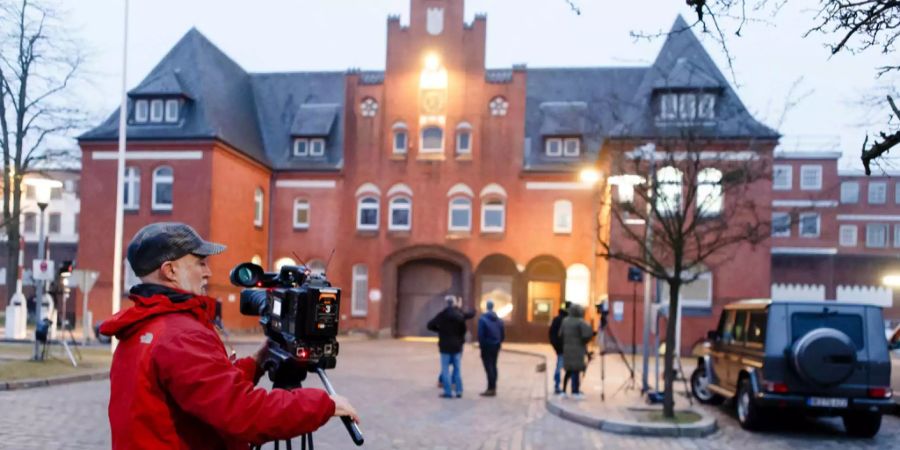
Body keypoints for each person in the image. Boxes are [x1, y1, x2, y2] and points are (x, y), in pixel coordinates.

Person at [99, 222, 359, 449]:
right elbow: (242, 413)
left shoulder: (145, 325)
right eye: (200, 262)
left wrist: (258, 361)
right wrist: (324, 405)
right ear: (170, 270)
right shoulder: (179, 335)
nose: (208, 272)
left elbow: (205, 392)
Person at [427, 296, 474, 398]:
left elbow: (429, 325)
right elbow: (463, 330)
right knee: (457, 369)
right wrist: (459, 339)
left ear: (447, 303)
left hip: (445, 346)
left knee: (445, 370)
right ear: (454, 304)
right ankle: (458, 391)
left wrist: (440, 330)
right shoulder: (459, 315)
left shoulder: (442, 315)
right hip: (456, 346)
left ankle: (448, 392)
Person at [560, 303, 593, 400]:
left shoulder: (565, 321)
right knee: (576, 370)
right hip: (578, 349)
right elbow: (587, 334)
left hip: (567, 349)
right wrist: (585, 342)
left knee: (568, 370)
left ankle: (564, 390)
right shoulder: (580, 322)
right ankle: (575, 391)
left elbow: (561, 334)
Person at [477, 300, 505, 397]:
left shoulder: (482, 319)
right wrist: (498, 342)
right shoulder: (499, 320)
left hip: (486, 346)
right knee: (493, 365)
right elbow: (502, 334)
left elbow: (480, 335)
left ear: (486, 307)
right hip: (496, 345)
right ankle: (493, 387)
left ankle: (490, 388)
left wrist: (481, 345)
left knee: (488, 367)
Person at [548, 301, 571, 395]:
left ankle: (567, 387)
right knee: (559, 366)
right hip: (561, 348)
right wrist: (557, 346)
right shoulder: (559, 319)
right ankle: (557, 386)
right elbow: (552, 334)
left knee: (568, 367)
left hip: (568, 348)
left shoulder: (568, 319)